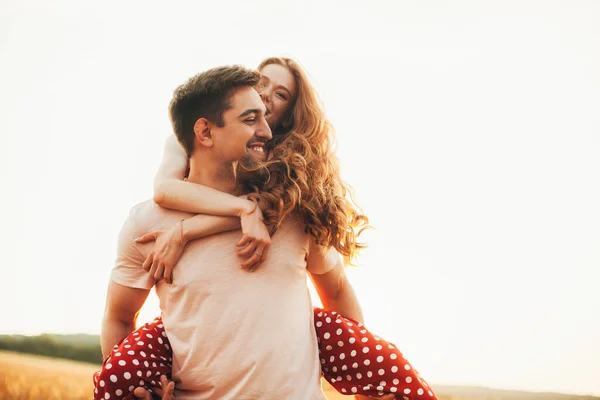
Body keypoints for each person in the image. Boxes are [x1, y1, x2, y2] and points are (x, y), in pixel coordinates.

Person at [95, 59, 438, 400]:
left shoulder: (292, 209)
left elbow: (337, 293)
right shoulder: (148, 223)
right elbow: (120, 317)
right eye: (250, 117)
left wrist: (367, 389)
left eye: (271, 107)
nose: (265, 128)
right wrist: (140, 392)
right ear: (204, 131)